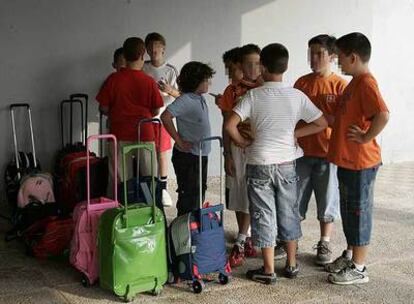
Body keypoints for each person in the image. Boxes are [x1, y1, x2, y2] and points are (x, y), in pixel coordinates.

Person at [225, 43, 328, 284]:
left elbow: (230, 125)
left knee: (263, 213)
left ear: (262, 66)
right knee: (288, 212)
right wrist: (295, 135)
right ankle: (291, 265)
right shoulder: (296, 95)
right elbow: (321, 123)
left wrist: (242, 143)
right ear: (286, 66)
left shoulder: (253, 95)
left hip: (259, 162)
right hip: (286, 163)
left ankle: (268, 269)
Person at [325, 32, 389, 285]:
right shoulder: (354, 82)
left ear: (353, 57)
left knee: (359, 212)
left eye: (340, 57)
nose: (339, 62)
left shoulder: (366, 82)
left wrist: (365, 137)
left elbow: (383, 114)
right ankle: (351, 255)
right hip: (348, 161)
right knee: (349, 210)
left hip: (361, 162)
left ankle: (359, 268)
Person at [278, 34, 347, 265]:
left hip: (328, 154)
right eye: (311, 53)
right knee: (295, 200)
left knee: (327, 201)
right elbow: (292, 114)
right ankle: (290, 241)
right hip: (301, 154)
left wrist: (325, 119)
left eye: (319, 53)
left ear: (332, 56)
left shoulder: (340, 85)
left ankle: (325, 242)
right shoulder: (302, 83)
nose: (314, 58)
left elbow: (343, 120)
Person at [96, 37, 163, 195]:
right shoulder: (148, 81)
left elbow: (103, 107)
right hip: (145, 133)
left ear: (124, 56)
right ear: (143, 54)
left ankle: (118, 211)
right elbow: (156, 110)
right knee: (149, 178)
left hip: (119, 134)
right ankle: (151, 210)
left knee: (119, 179)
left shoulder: (113, 80)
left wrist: (117, 111)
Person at [218, 44, 262, 267]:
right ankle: (243, 237)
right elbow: (227, 125)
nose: (232, 74)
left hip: (260, 149)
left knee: (255, 195)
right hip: (237, 149)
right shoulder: (230, 92)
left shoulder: (264, 87)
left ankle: (244, 239)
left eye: (232, 68)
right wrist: (227, 154)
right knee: (238, 196)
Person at [161, 61, 215, 216]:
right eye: (206, 80)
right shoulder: (187, 100)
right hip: (188, 156)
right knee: (189, 195)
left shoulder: (197, 97)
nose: (209, 83)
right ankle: (183, 230)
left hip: (200, 155)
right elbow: (166, 117)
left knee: (198, 192)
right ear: (195, 81)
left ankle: (192, 227)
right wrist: (178, 141)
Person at [143, 33, 180, 206]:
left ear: (163, 48)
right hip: (145, 119)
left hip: (163, 118)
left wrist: (169, 90)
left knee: (162, 153)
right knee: (145, 154)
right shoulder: (142, 68)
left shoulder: (170, 70)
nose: (153, 50)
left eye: (157, 46)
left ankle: (163, 188)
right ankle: (146, 188)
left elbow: (180, 95)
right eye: (150, 47)